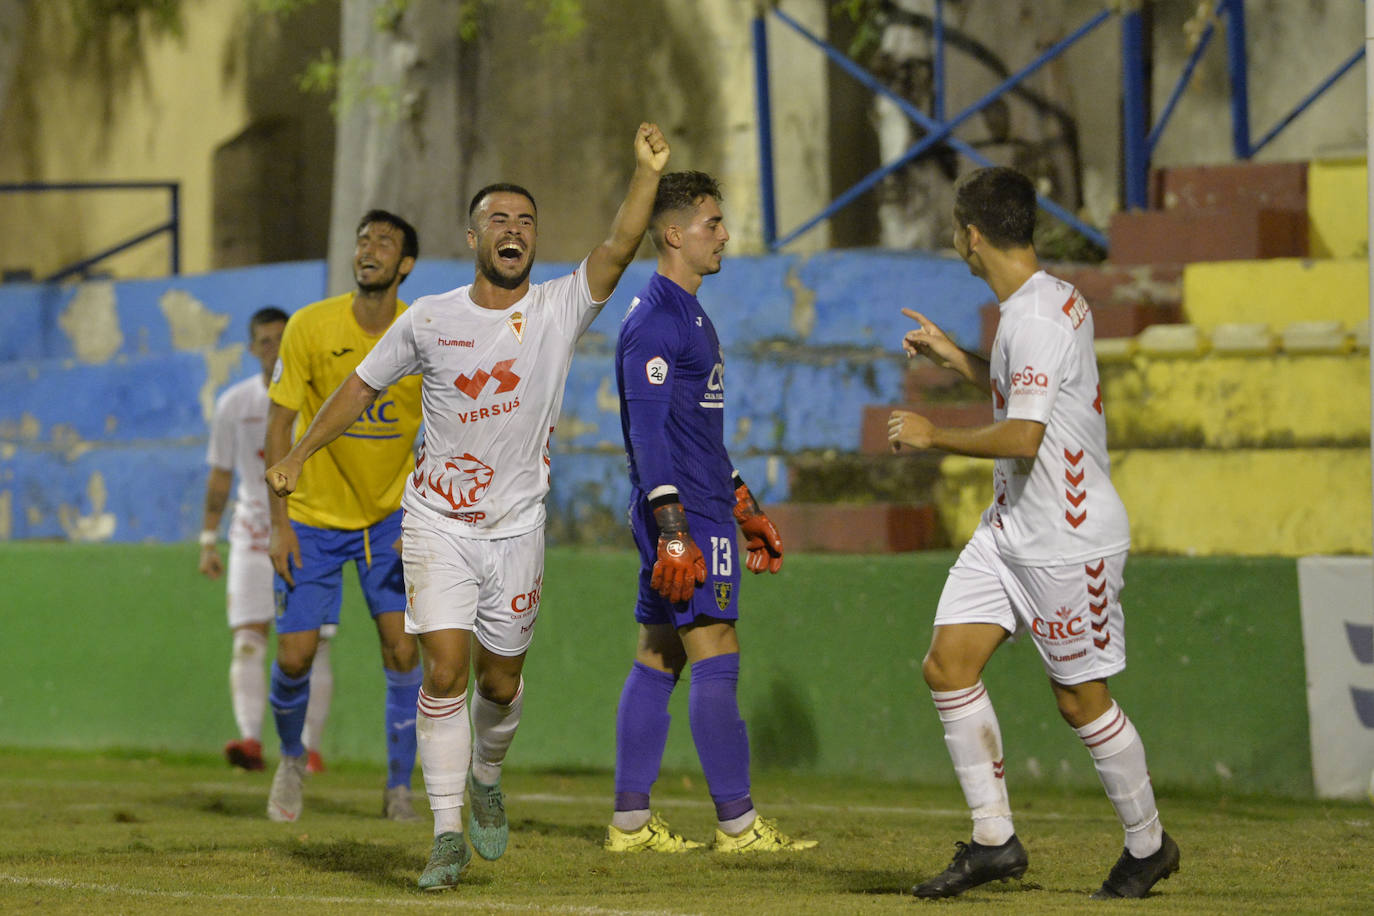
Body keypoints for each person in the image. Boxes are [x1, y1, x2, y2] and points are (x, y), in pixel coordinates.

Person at [265, 122, 671, 890]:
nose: (513, 230)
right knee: (444, 669)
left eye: (525, 221)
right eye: (499, 219)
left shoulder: (558, 308)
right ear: (474, 234)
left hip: (517, 530)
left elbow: (619, 246)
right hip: (435, 523)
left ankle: (487, 771)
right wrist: (297, 454)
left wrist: (646, 174)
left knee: (499, 684)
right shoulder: (431, 318)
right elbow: (359, 389)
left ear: (533, 239)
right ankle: (445, 831)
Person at [887, 166, 1180, 900]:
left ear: (972, 235)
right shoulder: (1040, 303)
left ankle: (1148, 846)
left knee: (1080, 701)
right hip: (1012, 529)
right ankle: (994, 842)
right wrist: (959, 359)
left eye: (957, 228)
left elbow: (1023, 437)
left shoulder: (1038, 318)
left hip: (1067, 538)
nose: (956, 240)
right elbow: (1023, 392)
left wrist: (933, 435)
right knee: (948, 665)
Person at [604, 170, 816, 855]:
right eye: (712, 224)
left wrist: (742, 501)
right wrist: (674, 530)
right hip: (684, 514)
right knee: (716, 649)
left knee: (659, 654)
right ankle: (738, 825)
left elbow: (696, 433)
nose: (723, 235)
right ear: (674, 234)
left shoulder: (691, 313)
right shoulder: (657, 319)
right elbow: (647, 432)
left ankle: (630, 827)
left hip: (700, 502)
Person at [262, 210, 425, 824]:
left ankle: (399, 787)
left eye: (385, 242)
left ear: (405, 264)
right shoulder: (309, 326)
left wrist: (422, 515)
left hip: (390, 521)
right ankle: (289, 758)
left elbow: (440, 425)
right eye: (363, 240)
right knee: (295, 656)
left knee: (402, 651)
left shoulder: (420, 330)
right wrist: (279, 524)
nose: (370, 249)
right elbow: (279, 423)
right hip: (311, 520)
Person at [199, 307, 333, 775]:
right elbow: (220, 476)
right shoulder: (234, 404)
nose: (273, 347)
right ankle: (251, 741)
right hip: (252, 537)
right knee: (249, 642)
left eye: (282, 338)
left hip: (308, 533)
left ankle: (308, 749)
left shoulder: (320, 399)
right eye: (265, 340)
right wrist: (207, 539)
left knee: (311, 646)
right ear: (253, 347)